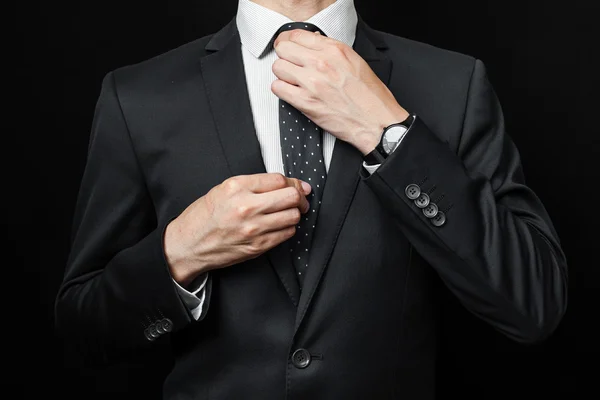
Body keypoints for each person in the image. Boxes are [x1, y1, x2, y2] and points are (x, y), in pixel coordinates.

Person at [55, 0, 568, 398]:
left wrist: (389, 134)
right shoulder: (138, 96)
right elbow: (83, 328)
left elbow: (533, 303)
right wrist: (181, 252)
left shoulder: (453, 84)